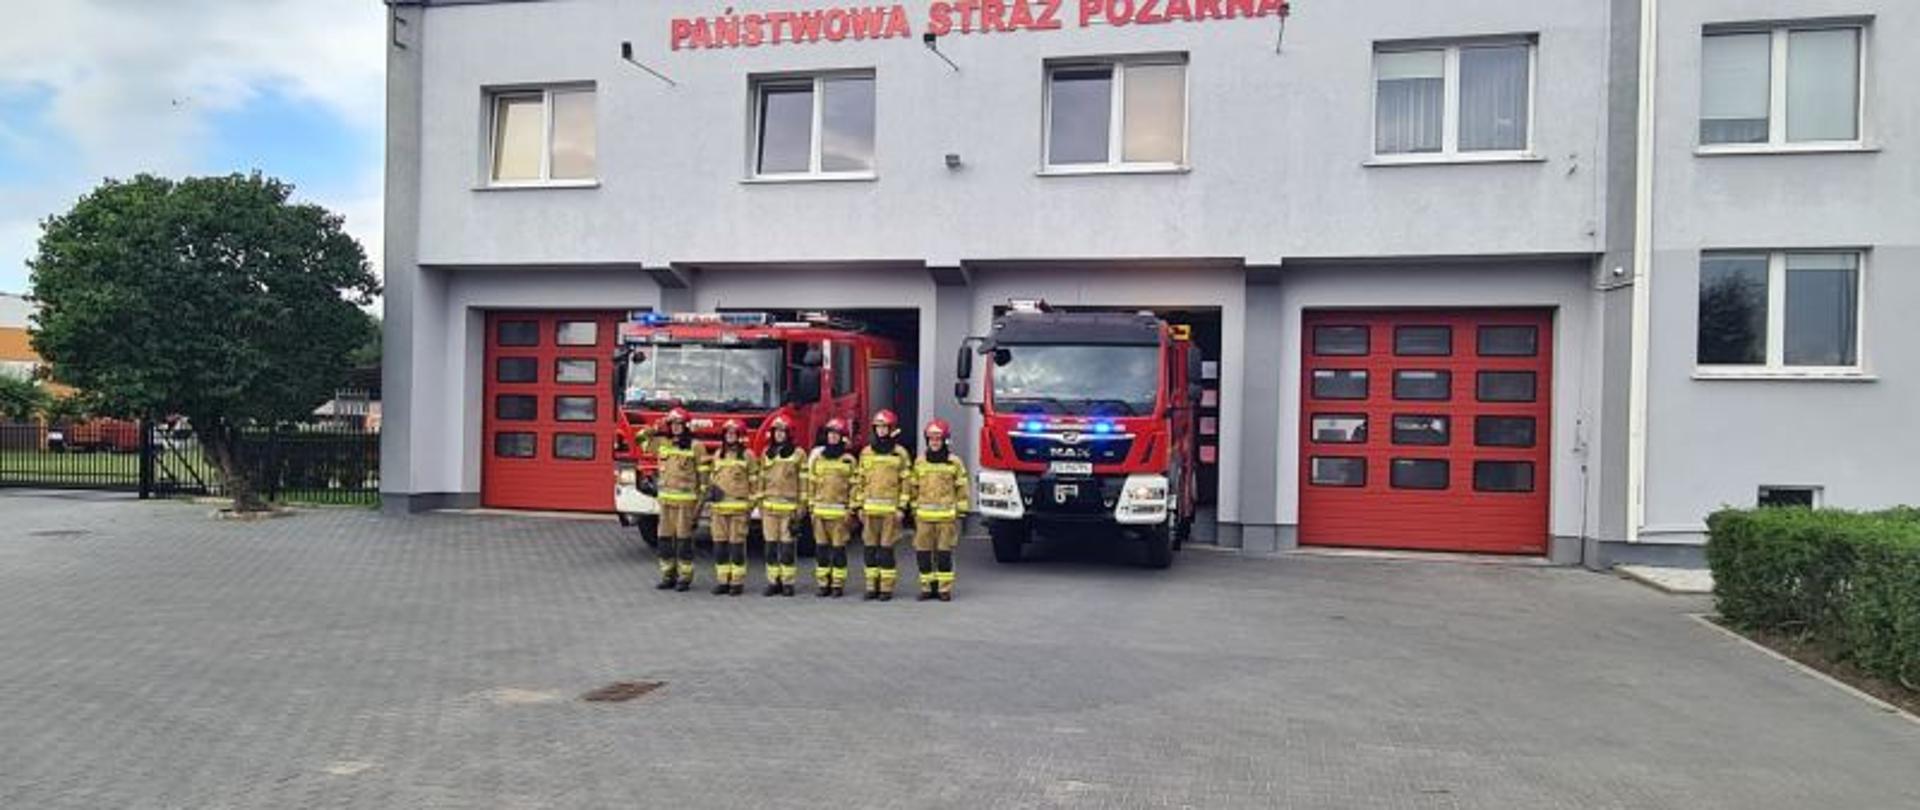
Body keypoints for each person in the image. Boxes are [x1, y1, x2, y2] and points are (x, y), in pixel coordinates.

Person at [633, 408, 707, 592]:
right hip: (665, 503)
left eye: (679, 424)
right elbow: (639, 439)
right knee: (664, 541)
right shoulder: (662, 443)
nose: (675, 428)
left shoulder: (696, 446)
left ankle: (685, 577)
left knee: (684, 542)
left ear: (686, 426)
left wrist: (699, 507)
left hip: (686, 504)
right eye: (672, 424)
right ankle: (668, 575)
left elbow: (704, 482)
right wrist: (656, 426)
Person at [855, 409, 914, 601]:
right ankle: (871, 587)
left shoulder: (900, 454)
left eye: (884, 427)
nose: (881, 431)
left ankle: (886, 589)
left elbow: (906, 482)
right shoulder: (866, 452)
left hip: (890, 512)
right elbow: (860, 481)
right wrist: (859, 506)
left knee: (886, 551)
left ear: (892, 429)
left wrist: (901, 508)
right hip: (869, 511)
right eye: (878, 427)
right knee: (870, 551)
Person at [909, 419, 969, 602]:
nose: (934, 442)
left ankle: (944, 590)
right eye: (931, 439)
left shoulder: (954, 463)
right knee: (923, 554)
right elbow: (913, 488)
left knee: (944, 555)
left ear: (945, 440)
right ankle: (927, 588)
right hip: (924, 518)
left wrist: (961, 511)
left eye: (938, 439)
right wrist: (913, 509)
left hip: (946, 518)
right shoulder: (920, 462)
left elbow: (962, 488)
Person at [805, 418, 859, 598]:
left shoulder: (848, 460)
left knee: (838, 551)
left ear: (843, 438)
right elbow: (811, 484)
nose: (832, 438)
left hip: (839, 514)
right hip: (819, 514)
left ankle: (837, 585)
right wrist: (811, 507)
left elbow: (855, 487)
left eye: (836, 434)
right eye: (830, 434)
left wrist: (851, 510)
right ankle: (822, 584)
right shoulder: (818, 459)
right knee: (821, 551)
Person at [756, 414, 805, 597]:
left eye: (782, 432)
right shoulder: (766, 453)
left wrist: (801, 506)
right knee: (770, 548)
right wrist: (760, 503)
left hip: (789, 509)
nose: (779, 435)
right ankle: (772, 581)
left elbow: (803, 482)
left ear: (789, 433)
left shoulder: (798, 454)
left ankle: (788, 582)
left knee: (787, 548)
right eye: (776, 431)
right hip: (769, 508)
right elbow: (761, 480)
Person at [706, 419, 756, 597]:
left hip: (738, 510)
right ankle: (722, 581)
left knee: (736, 548)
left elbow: (754, 484)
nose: (730, 437)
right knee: (720, 547)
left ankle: (736, 582)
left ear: (740, 437)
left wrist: (749, 507)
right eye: (727, 434)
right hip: (719, 510)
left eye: (734, 434)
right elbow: (713, 478)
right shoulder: (719, 454)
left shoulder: (748, 456)